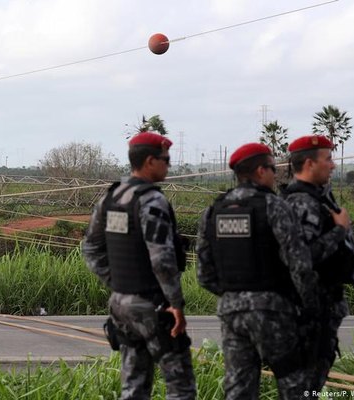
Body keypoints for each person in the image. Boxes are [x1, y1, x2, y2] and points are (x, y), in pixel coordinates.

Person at [197, 143, 319, 400]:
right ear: (261, 171)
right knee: (297, 384)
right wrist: (308, 307)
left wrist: (234, 294)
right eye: (274, 169)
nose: (276, 175)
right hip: (273, 310)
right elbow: (300, 265)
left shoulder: (213, 211)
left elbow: (203, 274)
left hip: (231, 312)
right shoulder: (274, 206)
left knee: (239, 387)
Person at [82, 131, 196, 400]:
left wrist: (119, 283)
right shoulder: (151, 200)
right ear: (149, 161)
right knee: (180, 386)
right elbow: (161, 258)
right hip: (152, 304)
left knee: (133, 385)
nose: (169, 165)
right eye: (165, 159)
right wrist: (176, 303)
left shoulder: (111, 198)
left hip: (121, 303)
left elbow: (90, 247)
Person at [281, 135, 351, 396]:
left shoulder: (319, 199)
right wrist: (340, 230)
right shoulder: (301, 203)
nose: (333, 165)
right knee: (304, 388)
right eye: (328, 159)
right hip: (309, 314)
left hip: (321, 310)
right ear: (309, 164)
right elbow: (302, 258)